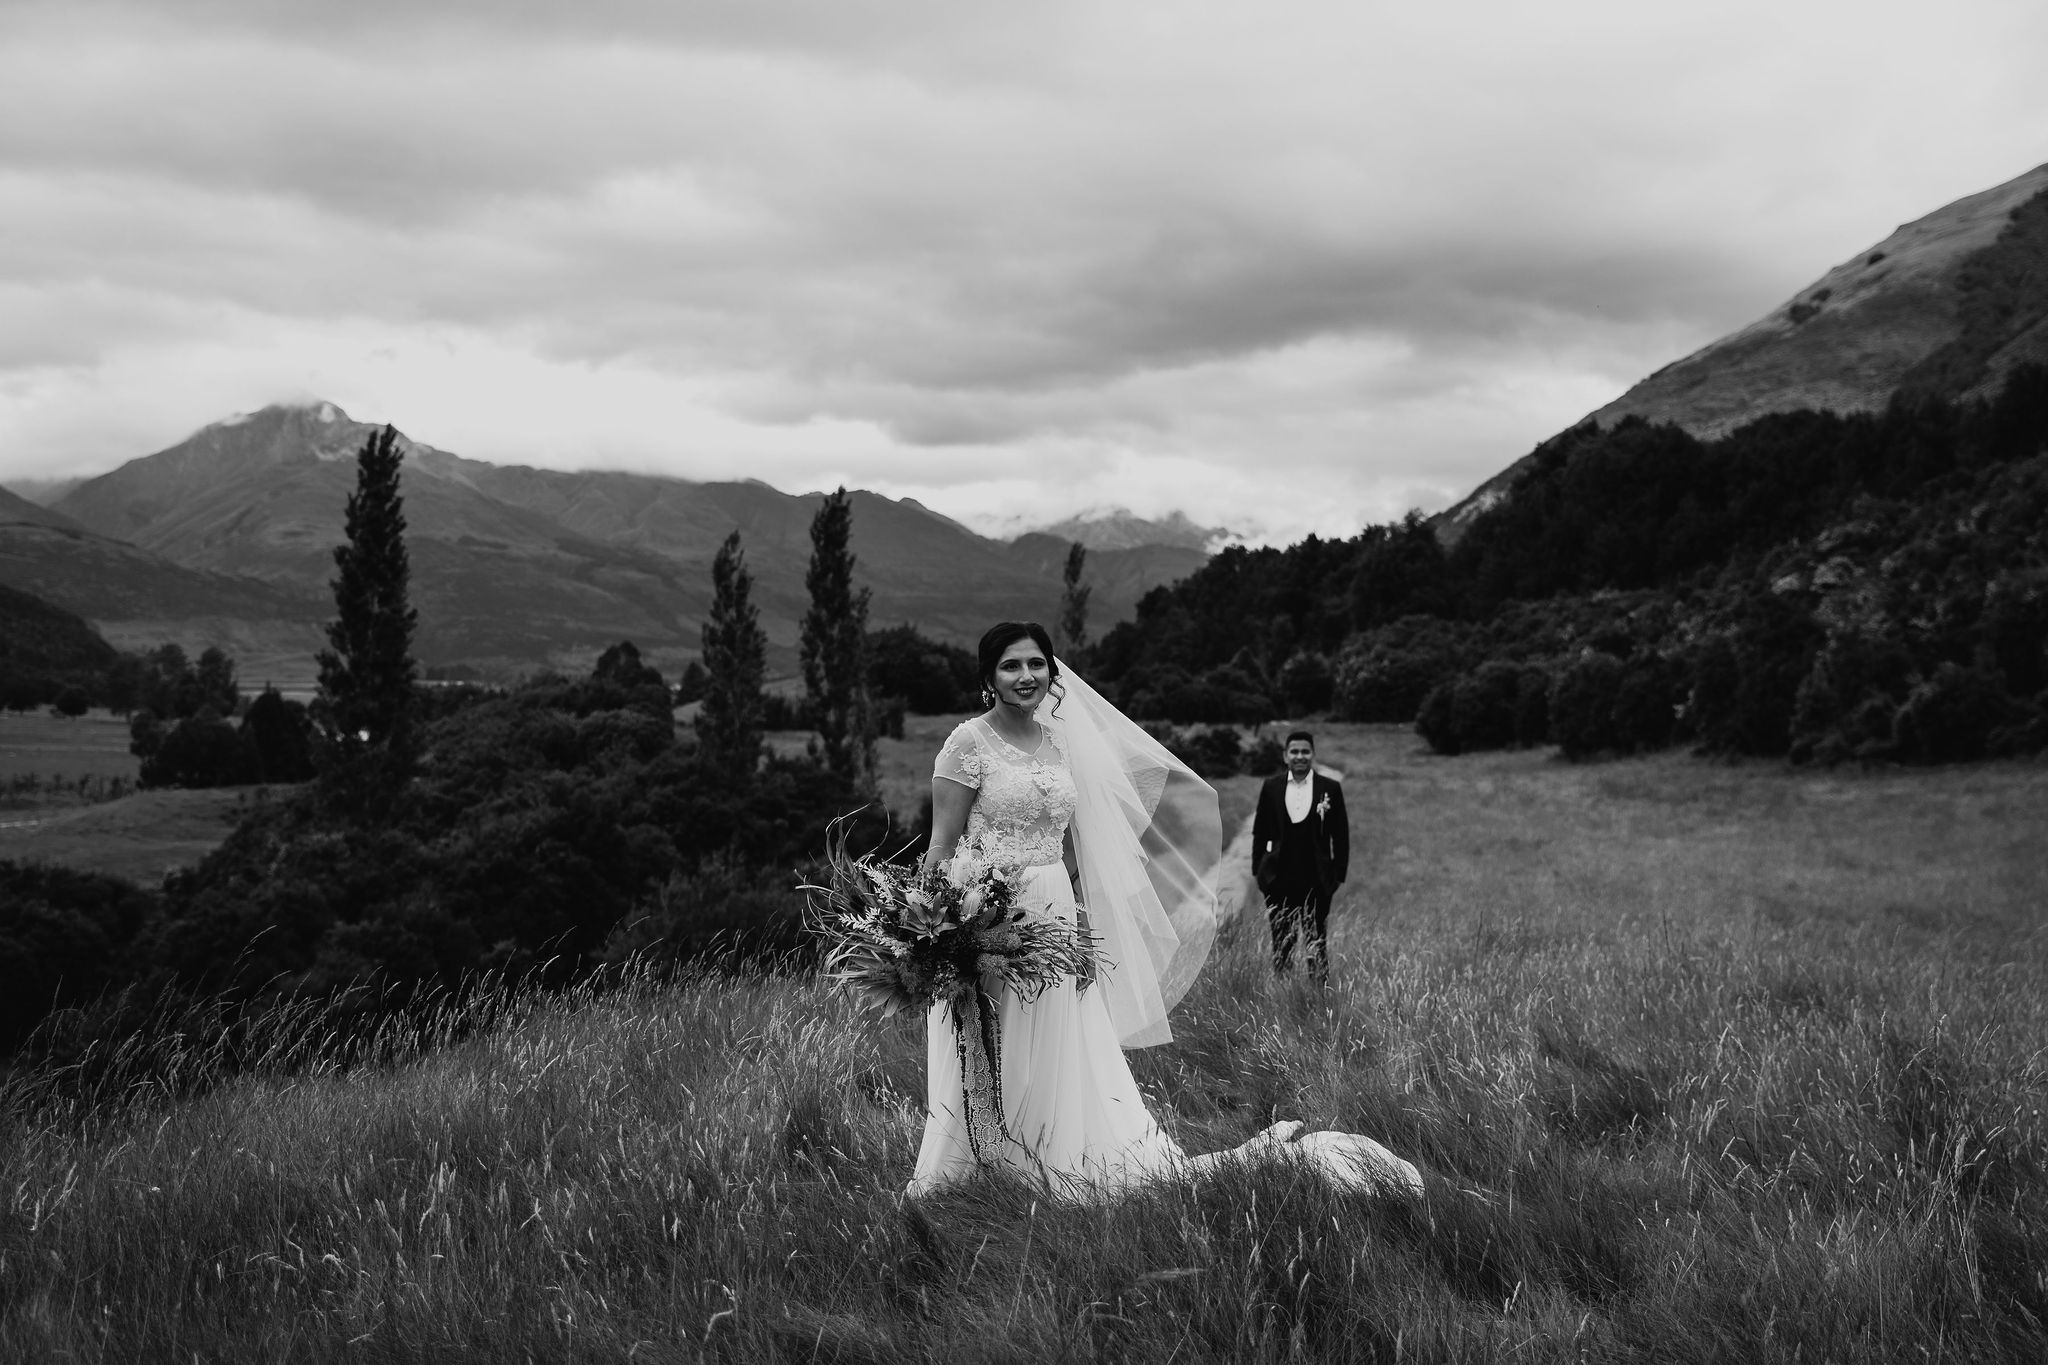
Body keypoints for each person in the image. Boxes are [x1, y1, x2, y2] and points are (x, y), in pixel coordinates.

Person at [909, 622, 1417, 1201]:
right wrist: (937, 929)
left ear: (1052, 672)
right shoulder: (966, 744)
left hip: (1049, 910)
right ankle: (982, 1167)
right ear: (988, 676)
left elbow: (1069, 840)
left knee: (1054, 1036)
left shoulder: (1059, 743)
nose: (1025, 677)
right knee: (988, 1035)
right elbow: (942, 846)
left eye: (1036, 664)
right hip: (981, 911)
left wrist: (1072, 910)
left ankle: (1049, 1155)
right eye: (1010, 666)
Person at [1251, 730, 1349, 980]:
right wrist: (1259, 873)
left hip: (1317, 880)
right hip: (1278, 880)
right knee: (1281, 943)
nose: (1300, 756)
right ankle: (1283, 996)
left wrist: (1337, 877)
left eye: (1305, 751)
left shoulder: (1330, 789)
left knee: (1316, 943)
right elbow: (1260, 833)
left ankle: (1318, 998)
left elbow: (1340, 836)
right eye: (1294, 751)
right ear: (1286, 756)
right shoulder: (1271, 787)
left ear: (1313, 755)